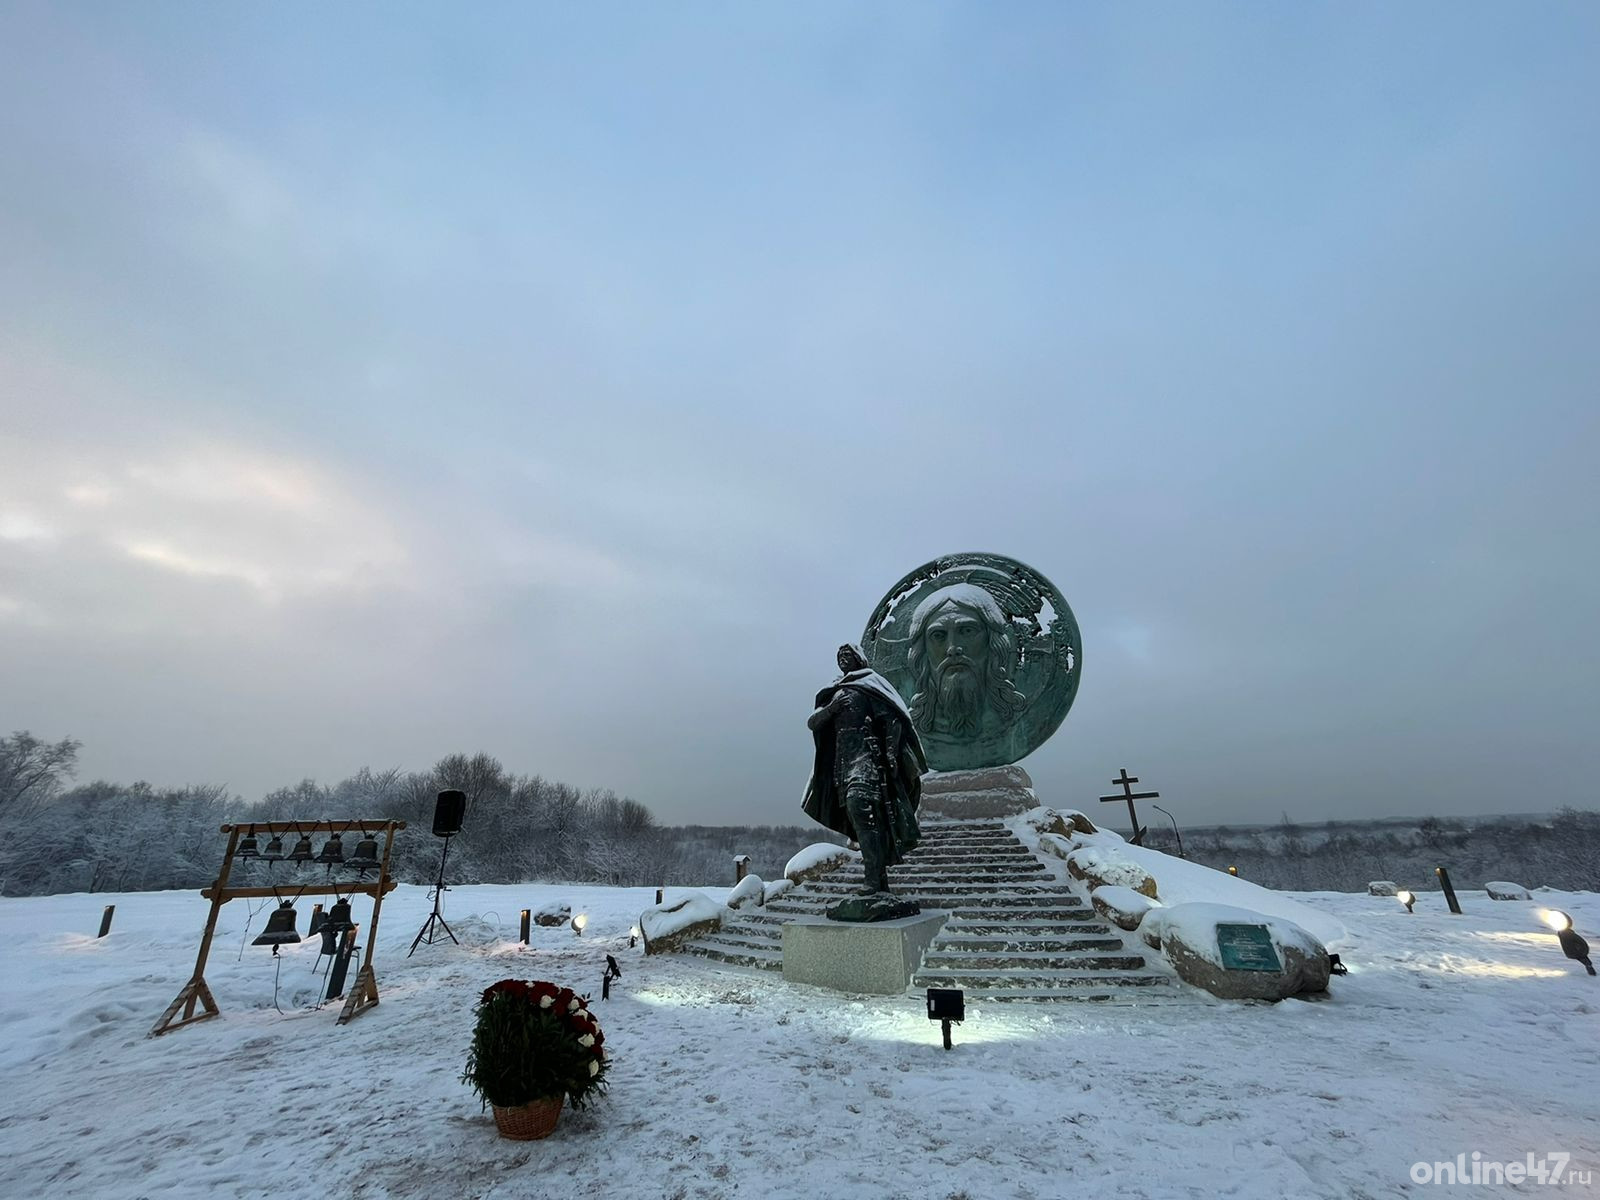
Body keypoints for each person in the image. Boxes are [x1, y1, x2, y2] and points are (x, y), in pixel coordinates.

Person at [802, 643, 927, 895]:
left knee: (861, 810)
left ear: (859, 659)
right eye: (839, 656)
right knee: (862, 820)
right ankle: (878, 881)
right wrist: (832, 709)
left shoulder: (871, 686)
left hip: (868, 759)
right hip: (842, 763)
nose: (843, 659)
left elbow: (891, 719)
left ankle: (872, 879)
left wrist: (891, 753)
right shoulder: (836, 692)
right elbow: (813, 722)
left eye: (848, 655)